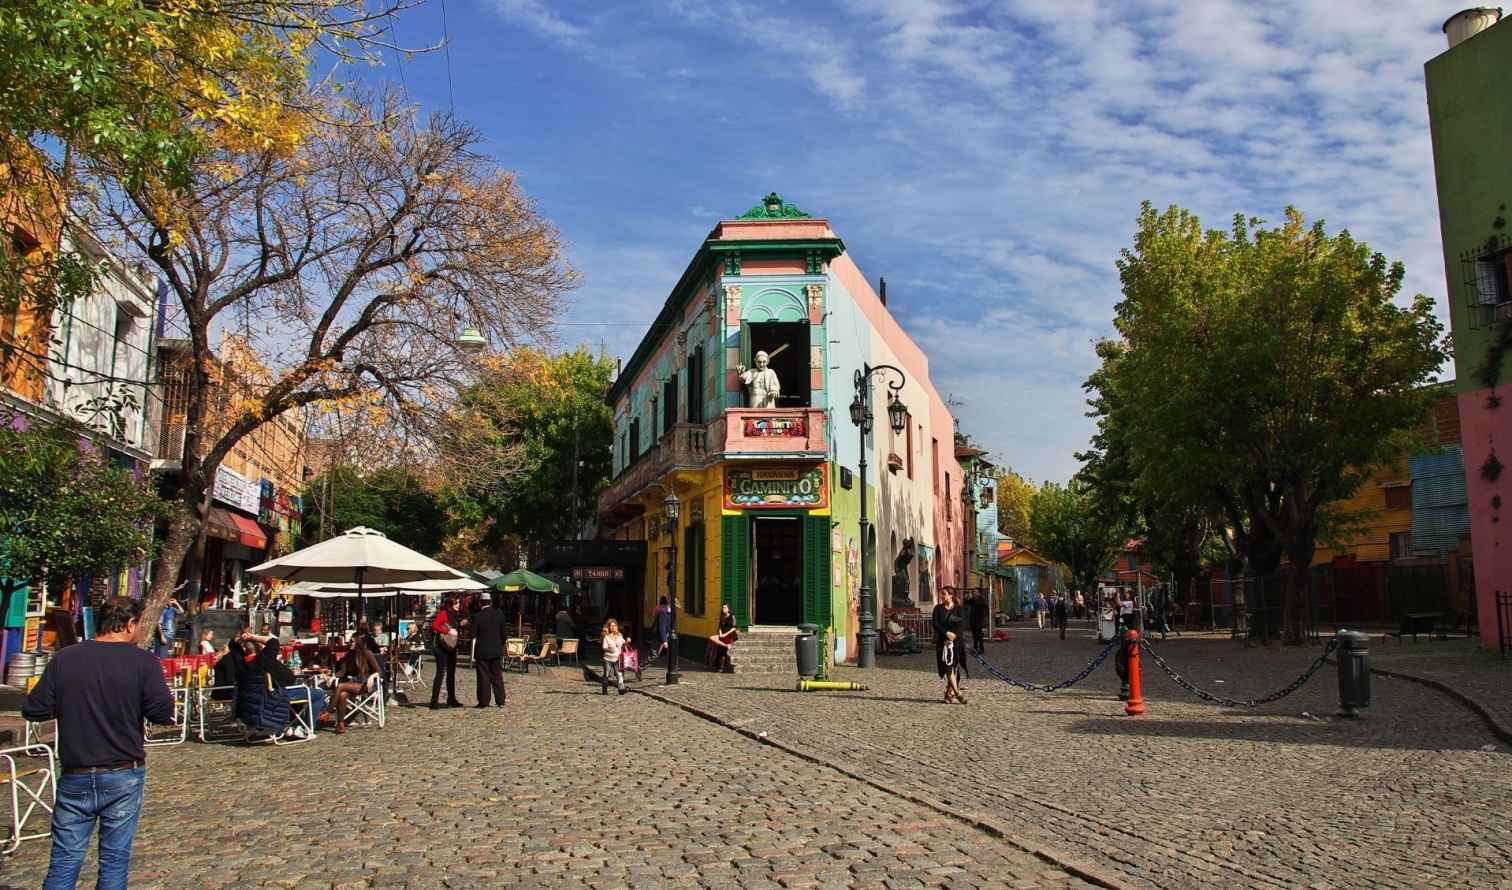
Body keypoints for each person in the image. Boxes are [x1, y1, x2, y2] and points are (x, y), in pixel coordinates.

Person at [23, 596, 175, 889]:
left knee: (65, 860)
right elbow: (162, 713)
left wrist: (71, 703)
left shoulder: (66, 658)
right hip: (122, 771)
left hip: (76, 771)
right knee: (114, 861)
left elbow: (34, 708)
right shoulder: (143, 661)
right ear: (130, 623)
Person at [332, 635, 382, 733]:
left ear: (358, 643)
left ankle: (329, 710)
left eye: (352, 641)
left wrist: (372, 676)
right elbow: (342, 672)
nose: (350, 643)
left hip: (366, 684)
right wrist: (334, 677)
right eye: (350, 641)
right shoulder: (349, 655)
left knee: (341, 686)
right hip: (353, 684)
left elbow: (379, 671)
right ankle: (341, 724)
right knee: (342, 694)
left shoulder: (367, 653)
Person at [932, 587, 969, 705]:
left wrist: (954, 636)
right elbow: (935, 624)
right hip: (943, 643)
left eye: (944, 594)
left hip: (957, 643)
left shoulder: (959, 609)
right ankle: (957, 694)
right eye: (941, 594)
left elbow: (962, 625)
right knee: (948, 668)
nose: (942, 596)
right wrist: (946, 634)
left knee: (955, 668)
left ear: (951, 595)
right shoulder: (938, 609)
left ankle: (949, 693)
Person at [429, 593, 467, 710]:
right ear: (450, 604)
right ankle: (434, 701)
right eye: (456, 603)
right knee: (440, 673)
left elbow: (454, 627)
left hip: (452, 646)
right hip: (442, 647)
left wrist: (461, 625)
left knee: (451, 674)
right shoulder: (444, 613)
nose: (458, 605)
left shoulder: (456, 615)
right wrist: (446, 631)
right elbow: (434, 625)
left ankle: (451, 699)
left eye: (459, 602)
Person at [471, 593, 507, 708]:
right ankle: (500, 700)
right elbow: (504, 634)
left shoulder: (478, 616)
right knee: (497, 676)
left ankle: (484, 701)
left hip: (482, 651)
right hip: (496, 650)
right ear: (490, 602)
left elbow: (473, 634)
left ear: (480, 603)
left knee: (483, 677)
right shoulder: (499, 614)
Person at [600, 619, 629, 695]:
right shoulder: (606, 637)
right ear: (609, 627)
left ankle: (621, 689)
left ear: (617, 626)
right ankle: (604, 691)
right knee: (606, 674)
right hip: (608, 659)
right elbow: (604, 647)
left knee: (619, 674)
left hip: (617, 658)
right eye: (611, 626)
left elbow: (623, 644)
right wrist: (609, 649)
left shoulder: (620, 635)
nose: (613, 627)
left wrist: (627, 641)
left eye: (614, 625)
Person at [706, 604, 738, 672]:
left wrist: (725, 634)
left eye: (725, 607)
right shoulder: (722, 617)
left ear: (728, 609)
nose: (723, 608)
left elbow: (734, 628)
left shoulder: (732, 616)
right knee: (711, 638)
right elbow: (720, 627)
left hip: (730, 634)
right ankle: (726, 645)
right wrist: (720, 634)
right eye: (723, 607)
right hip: (723, 634)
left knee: (720, 646)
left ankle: (726, 646)